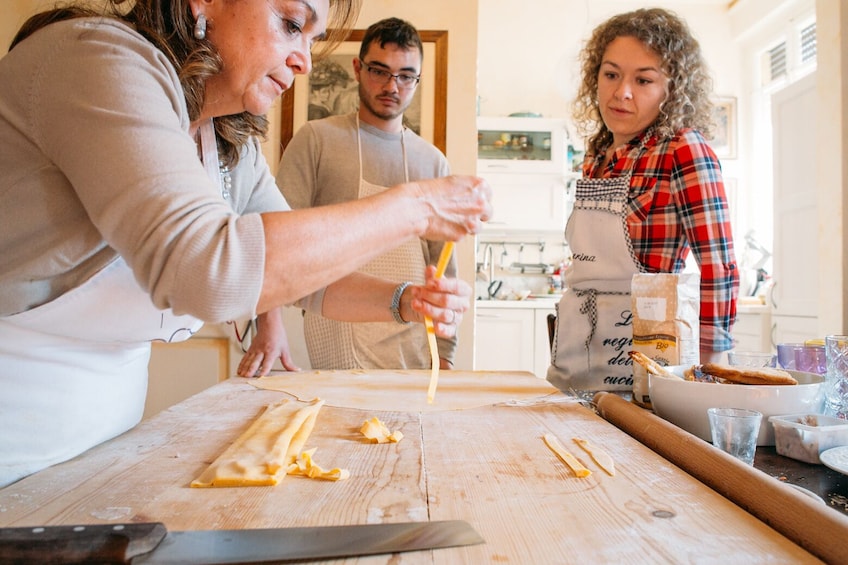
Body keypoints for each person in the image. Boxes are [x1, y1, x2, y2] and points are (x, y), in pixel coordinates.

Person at [0, 0, 492, 488]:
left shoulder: (226, 140)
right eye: (292, 24)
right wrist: (415, 209)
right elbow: (205, 269)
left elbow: (302, 277)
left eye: (312, 40)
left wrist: (404, 300)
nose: (304, 59)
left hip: (103, 447)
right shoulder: (95, 59)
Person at [239, 17, 456, 374]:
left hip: (413, 333)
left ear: (417, 80)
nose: (392, 85)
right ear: (357, 68)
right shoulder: (316, 140)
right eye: (379, 71)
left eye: (405, 76)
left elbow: (443, 265)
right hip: (335, 324)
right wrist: (268, 324)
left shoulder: (432, 161)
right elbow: (275, 241)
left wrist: (445, 352)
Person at [548, 8, 739, 393]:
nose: (622, 92)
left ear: (672, 89)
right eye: (612, 74)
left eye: (644, 80)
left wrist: (708, 368)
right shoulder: (596, 156)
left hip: (649, 357)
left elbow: (718, 268)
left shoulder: (683, 149)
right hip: (579, 348)